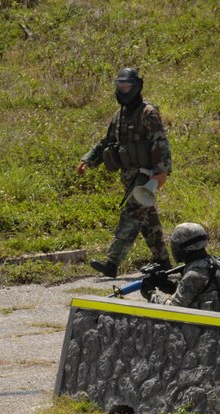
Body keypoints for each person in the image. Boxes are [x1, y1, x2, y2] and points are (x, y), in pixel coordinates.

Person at [77, 67, 172, 279]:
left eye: (127, 86)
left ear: (137, 86)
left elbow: (161, 142)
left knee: (130, 215)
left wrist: (162, 172)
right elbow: (106, 142)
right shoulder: (118, 116)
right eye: (120, 86)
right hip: (128, 176)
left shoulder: (149, 113)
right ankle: (163, 262)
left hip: (147, 176)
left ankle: (112, 262)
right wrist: (88, 159)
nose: (123, 90)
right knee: (148, 221)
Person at [139, 222, 220, 315]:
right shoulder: (219, 263)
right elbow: (199, 292)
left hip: (211, 331)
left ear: (182, 248)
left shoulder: (195, 273)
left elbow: (173, 309)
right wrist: (169, 287)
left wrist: (151, 294)